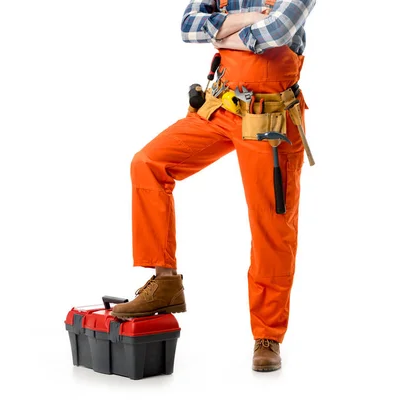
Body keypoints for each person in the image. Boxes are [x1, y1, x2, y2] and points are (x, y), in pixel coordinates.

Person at [110, 0, 316, 372]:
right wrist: (249, 21)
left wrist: (222, 30)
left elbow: (277, 32)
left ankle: (267, 335)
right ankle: (165, 282)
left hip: (269, 118)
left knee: (272, 226)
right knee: (149, 164)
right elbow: (189, 26)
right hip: (221, 106)